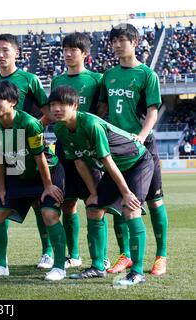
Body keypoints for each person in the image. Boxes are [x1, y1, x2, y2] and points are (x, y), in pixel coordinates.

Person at [51, 85, 153, 285]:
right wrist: (93, 193)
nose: (56, 109)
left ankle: (138, 273)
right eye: (53, 105)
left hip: (137, 163)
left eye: (62, 104)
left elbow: (108, 161)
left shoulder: (91, 124)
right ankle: (98, 267)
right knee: (93, 208)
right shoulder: (60, 129)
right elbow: (79, 162)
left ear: (74, 105)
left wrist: (126, 193)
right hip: (114, 168)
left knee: (130, 209)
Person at [98, 23, 169, 276]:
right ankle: (125, 256)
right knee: (119, 202)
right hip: (117, 146)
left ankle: (161, 256)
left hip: (143, 147)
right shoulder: (108, 75)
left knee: (155, 200)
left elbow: (152, 111)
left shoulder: (147, 75)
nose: (117, 45)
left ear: (135, 43)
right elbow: (102, 111)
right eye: (114, 40)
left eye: (122, 40)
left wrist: (140, 136)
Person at [0, 80, 65, 280]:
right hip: (18, 173)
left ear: (12, 102)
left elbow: (40, 157)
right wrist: (1, 189)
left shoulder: (29, 123)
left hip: (46, 172)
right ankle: (1, 265)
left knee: (48, 212)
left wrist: (47, 186)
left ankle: (60, 266)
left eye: (0, 99)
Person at [0, 33, 54, 269]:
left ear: (17, 53)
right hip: (3, 154)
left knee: (38, 203)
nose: (1, 55)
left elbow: (49, 111)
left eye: (5, 50)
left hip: (29, 152)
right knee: (0, 198)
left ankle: (47, 252)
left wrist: (30, 131)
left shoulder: (29, 79)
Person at [50, 32, 110, 270]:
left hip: (90, 150)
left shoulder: (97, 79)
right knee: (67, 203)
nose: (67, 53)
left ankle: (102, 257)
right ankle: (73, 254)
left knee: (95, 203)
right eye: (65, 49)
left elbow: (103, 110)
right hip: (64, 147)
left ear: (85, 53)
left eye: (73, 49)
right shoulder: (57, 81)